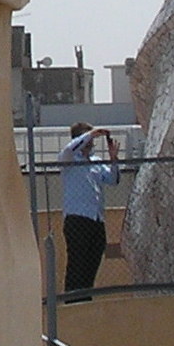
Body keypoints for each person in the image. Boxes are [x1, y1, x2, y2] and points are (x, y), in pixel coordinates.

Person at [58, 123, 121, 295]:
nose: (91, 143)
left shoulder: (96, 162)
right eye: (88, 139)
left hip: (96, 219)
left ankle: (85, 298)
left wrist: (113, 160)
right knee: (77, 264)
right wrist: (91, 134)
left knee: (92, 262)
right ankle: (73, 302)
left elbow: (113, 180)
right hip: (77, 219)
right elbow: (70, 148)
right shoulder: (69, 159)